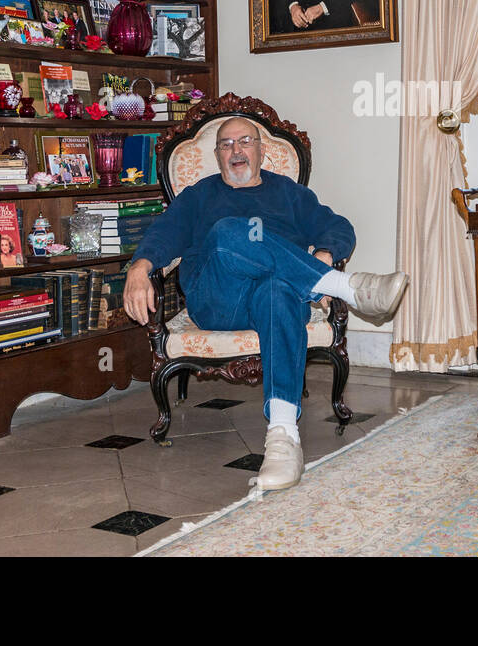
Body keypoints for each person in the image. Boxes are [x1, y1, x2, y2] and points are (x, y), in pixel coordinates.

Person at [124, 116, 409, 490]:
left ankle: (283, 437)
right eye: (226, 144)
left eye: (245, 141)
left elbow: (339, 227)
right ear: (217, 154)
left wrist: (324, 252)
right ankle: (346, 288)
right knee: (231, 230)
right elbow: (162, 233)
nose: (236, 150)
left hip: (271, 298)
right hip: (216, 300)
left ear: (262, 150)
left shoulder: (288, 194)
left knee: (278, 289)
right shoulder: (199, 195)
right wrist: (139, 268)